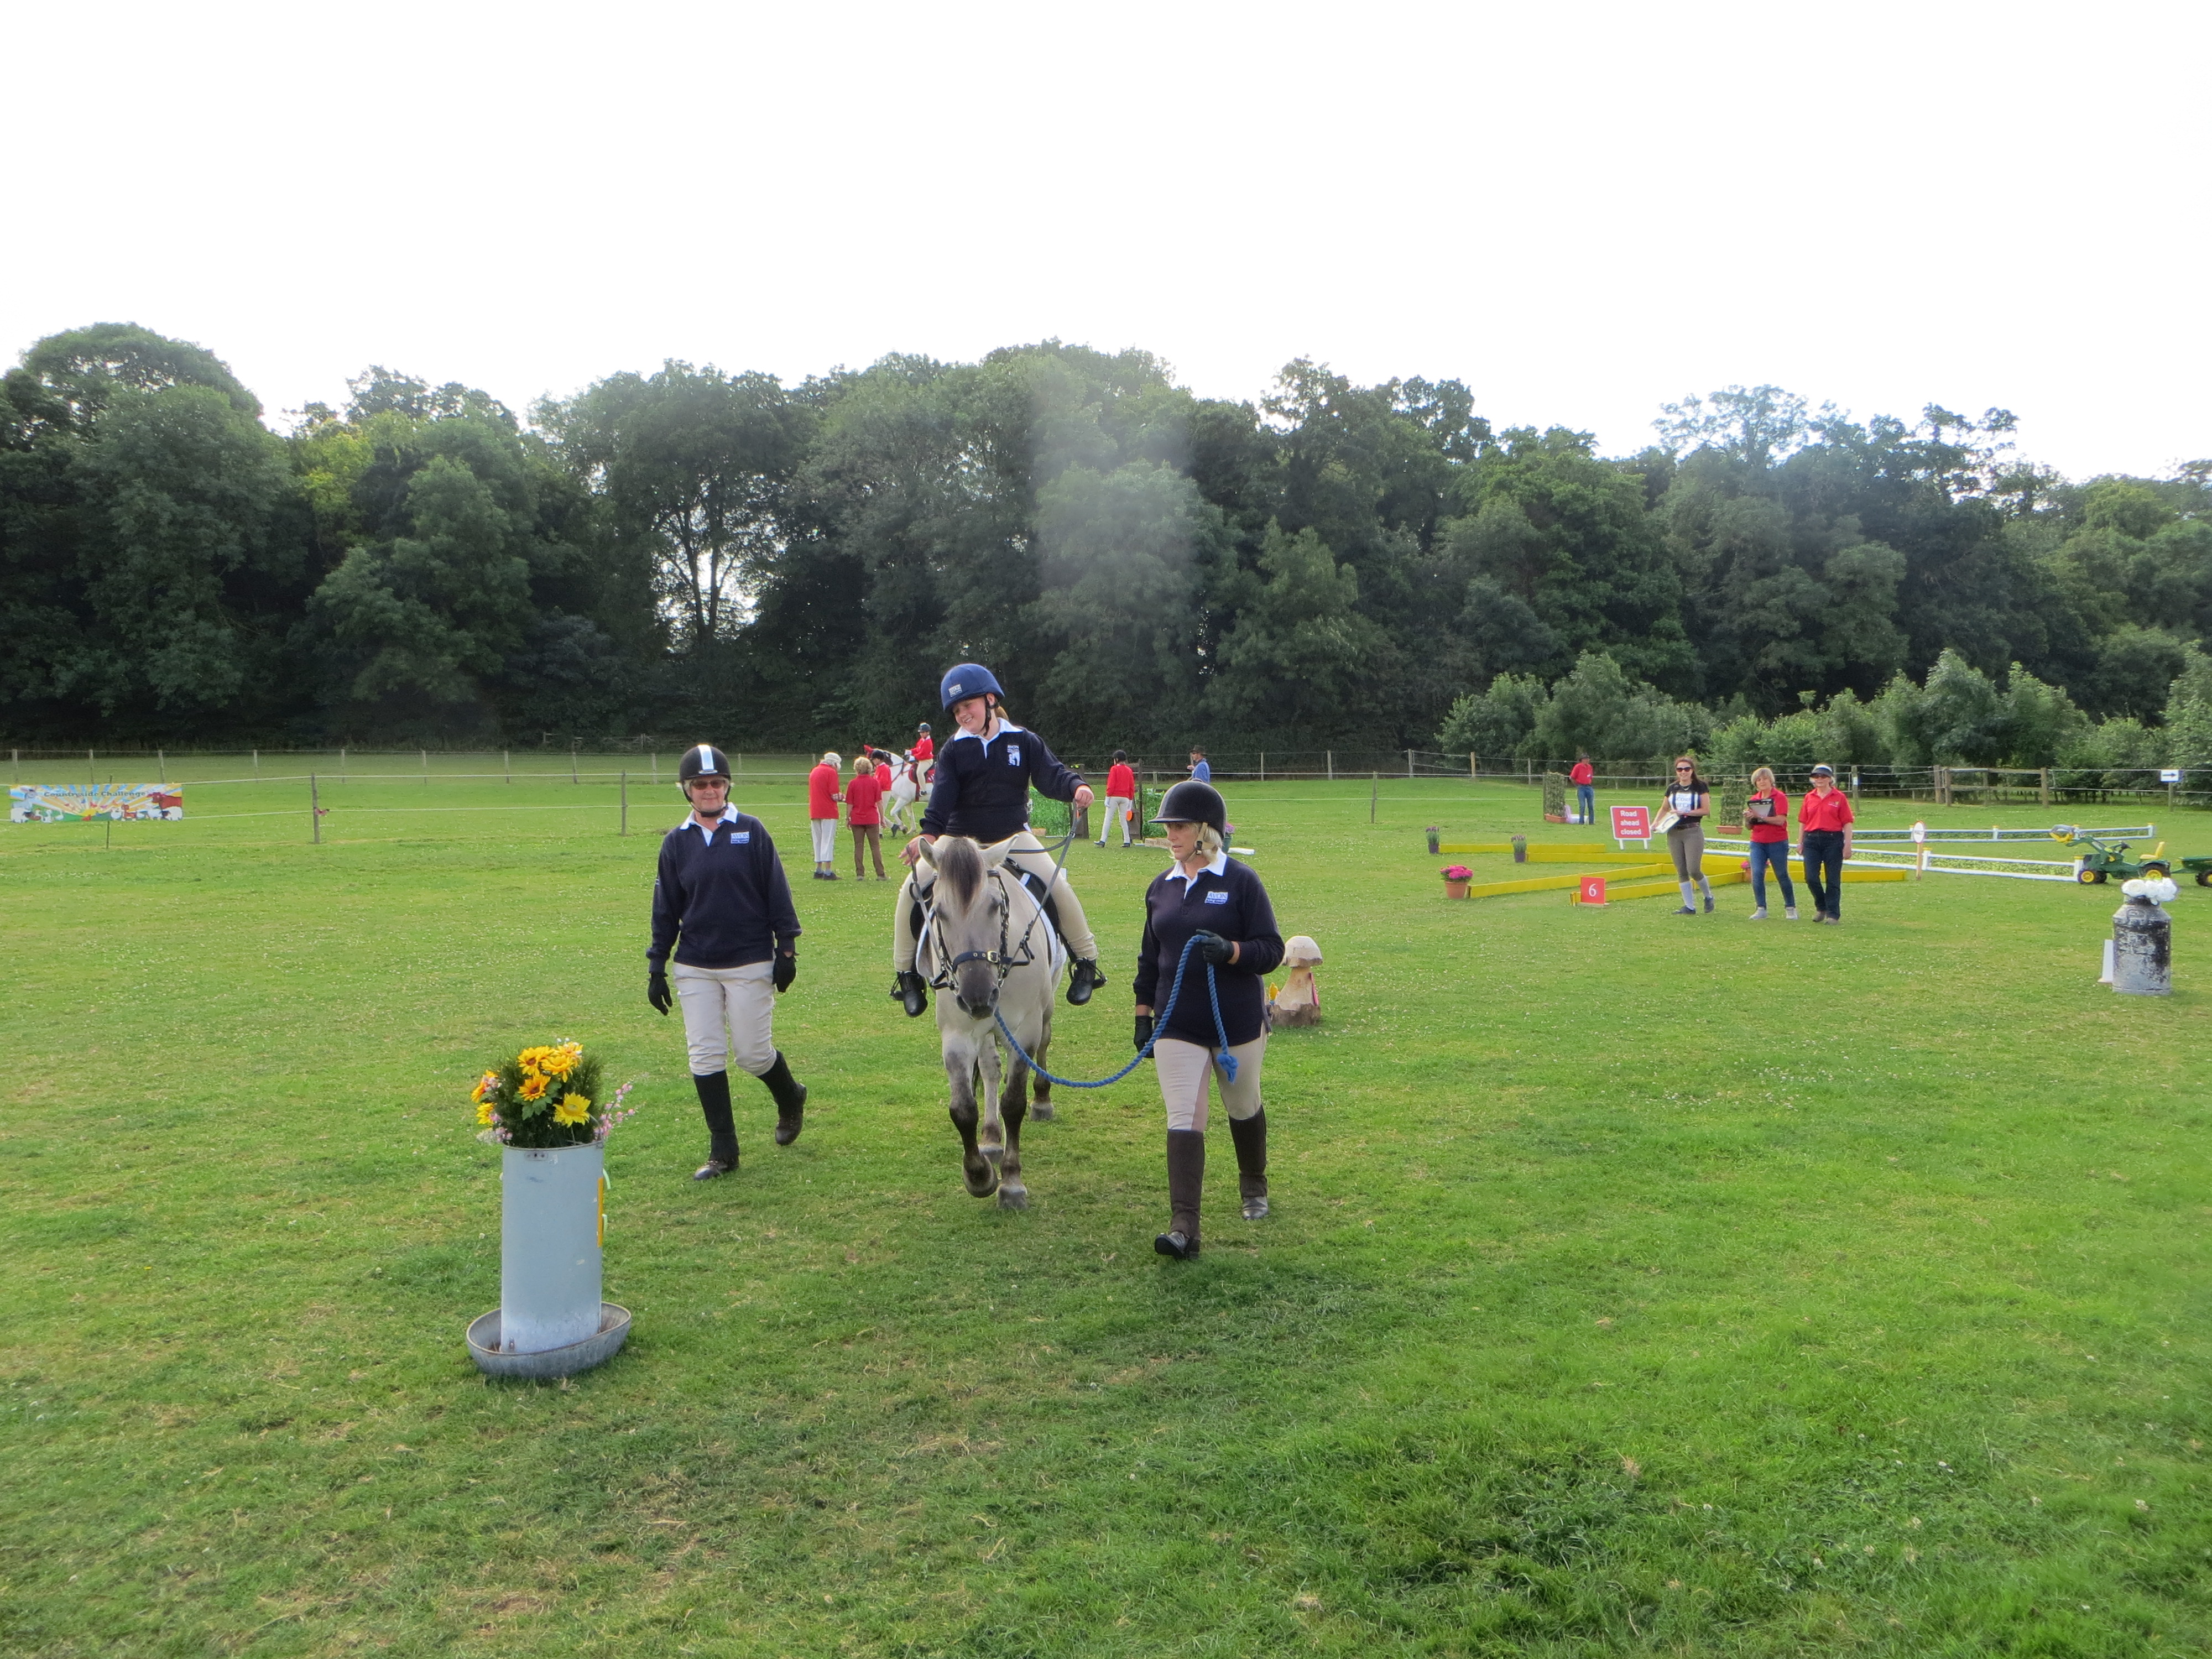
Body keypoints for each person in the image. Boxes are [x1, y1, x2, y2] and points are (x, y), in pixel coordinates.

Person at [889, 663, 1107, 1015]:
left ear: (990, 700)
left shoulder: (1023, 740)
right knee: (912, 889)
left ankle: (1086, 962)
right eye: (956, 711)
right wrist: (928, 834)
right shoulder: (953, 750)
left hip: (1012, 836)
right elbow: (942, 797)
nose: (963, 714)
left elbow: (1051, 774)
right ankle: (907, 975)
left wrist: (1076, 786)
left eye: (968, 706)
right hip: (958, 840)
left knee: (1056, 884)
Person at [1135, 780, 1285, 1259]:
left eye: (1179, 826)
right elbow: (1149, 959)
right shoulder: (1161, 887)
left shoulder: (1241, 881)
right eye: (1168, 827)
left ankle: (1254, 1183)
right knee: (1184, 1116)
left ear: (1205, 831)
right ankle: (1184, 1227)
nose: (1170, 835)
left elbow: (1272, 950)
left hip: (1234, 1022)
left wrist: (1232, 951)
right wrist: (1143, 1015)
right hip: (1176, 1022)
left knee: (1242, 1106)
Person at [646, 744, 807, 1180]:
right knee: (705, 1054)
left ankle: (790, 1095)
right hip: (695, 964)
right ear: (687, 790)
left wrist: (787, 950)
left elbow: (777, 891)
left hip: (749, 959)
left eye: (716, 783)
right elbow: (666, 909)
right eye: (700, 784)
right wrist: (657, 966)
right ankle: (723, 1151)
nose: (709, 791)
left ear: (727, 786)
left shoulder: (751, 831)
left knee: (753, 1055)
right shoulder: (676, 843)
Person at [1799, 763, 1855, 924]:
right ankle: (1821, 906)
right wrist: (1800, 842)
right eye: (1816, 776)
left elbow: (1847, 822)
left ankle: (1833, 914)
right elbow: (1803, 821)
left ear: (1830, 779)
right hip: (1811, 839)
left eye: (1823, 776)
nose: (1820, 779)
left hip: (1833, 839)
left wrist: (1848, 845)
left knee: (1833, 879)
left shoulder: (1839, 797)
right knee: (1811, 877)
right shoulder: (1809, 797)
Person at [1661, 756, 1715, 915]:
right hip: (1674, 832)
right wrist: (1656, 824)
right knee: (1681, 870)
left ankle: (1708, 896)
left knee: (1694, 869)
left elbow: (1706, 810)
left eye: (1687, 769)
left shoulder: (1700, 786)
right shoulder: (1672, 788)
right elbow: (1664, 808)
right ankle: (1689, 906)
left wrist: (1686, 812)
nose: (1683, 772)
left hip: (1692, 830)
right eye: (1680, 769)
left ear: (1692, 770)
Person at [1744, 766, 1798, 920]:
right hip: (1758, 841)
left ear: (1771, 780)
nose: (1762, 782)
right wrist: (1748, 818)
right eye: (1759, 780)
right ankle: (1761, 907)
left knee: (1782, 874)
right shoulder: (1754, 800)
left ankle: (1790, 907)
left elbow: (1781, 820)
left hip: (1777, 841)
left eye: (1765, 779)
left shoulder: (1779, 797)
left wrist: (1761, 817)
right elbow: (1749, 827)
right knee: (1757, 874)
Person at [847, 755, 888, 880]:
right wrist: (882, 818)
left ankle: (860, 873)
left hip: (857, 819)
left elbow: (850, 804)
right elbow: (879, 802)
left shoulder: (852, 783)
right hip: (871, 818)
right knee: (875, 846)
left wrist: (847, 818)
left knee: (859, 846)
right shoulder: (875, 782)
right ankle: (880, 874)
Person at [807, 752, 842, 879]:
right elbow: (834, 795)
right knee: (828, 840)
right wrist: (844, 797)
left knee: (817, 840)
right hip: (828, 811)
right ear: (835, 763)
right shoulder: (831, 772)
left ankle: (818, 869)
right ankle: (828, 871)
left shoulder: (814, 771)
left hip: (815, 810)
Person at [1098, 749, 1138, 847]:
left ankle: (1103, 840)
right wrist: (1130, 799)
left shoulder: (1114, 769)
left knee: (1108, 818)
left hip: (1114, 796)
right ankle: (1127, 841)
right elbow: (1131, 786)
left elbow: (1111, 784)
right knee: (1123, 820)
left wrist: (1108, 796)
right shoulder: (1129, 770)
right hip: (1125, 797)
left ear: (1116, 759)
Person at [1570, 753, 1595, 825]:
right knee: (1582, 806)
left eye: (1588, 759)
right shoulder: (1578, 767)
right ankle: (1581, 821)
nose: (1587, 760)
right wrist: (1577, 786)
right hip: (1581, 787)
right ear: (1582, 760)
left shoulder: (1589, 767)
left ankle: (1591, 822)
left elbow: (1590, 777)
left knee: (1591, 806)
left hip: (1589, 787)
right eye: (1585, 759)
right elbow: (1572, 777)